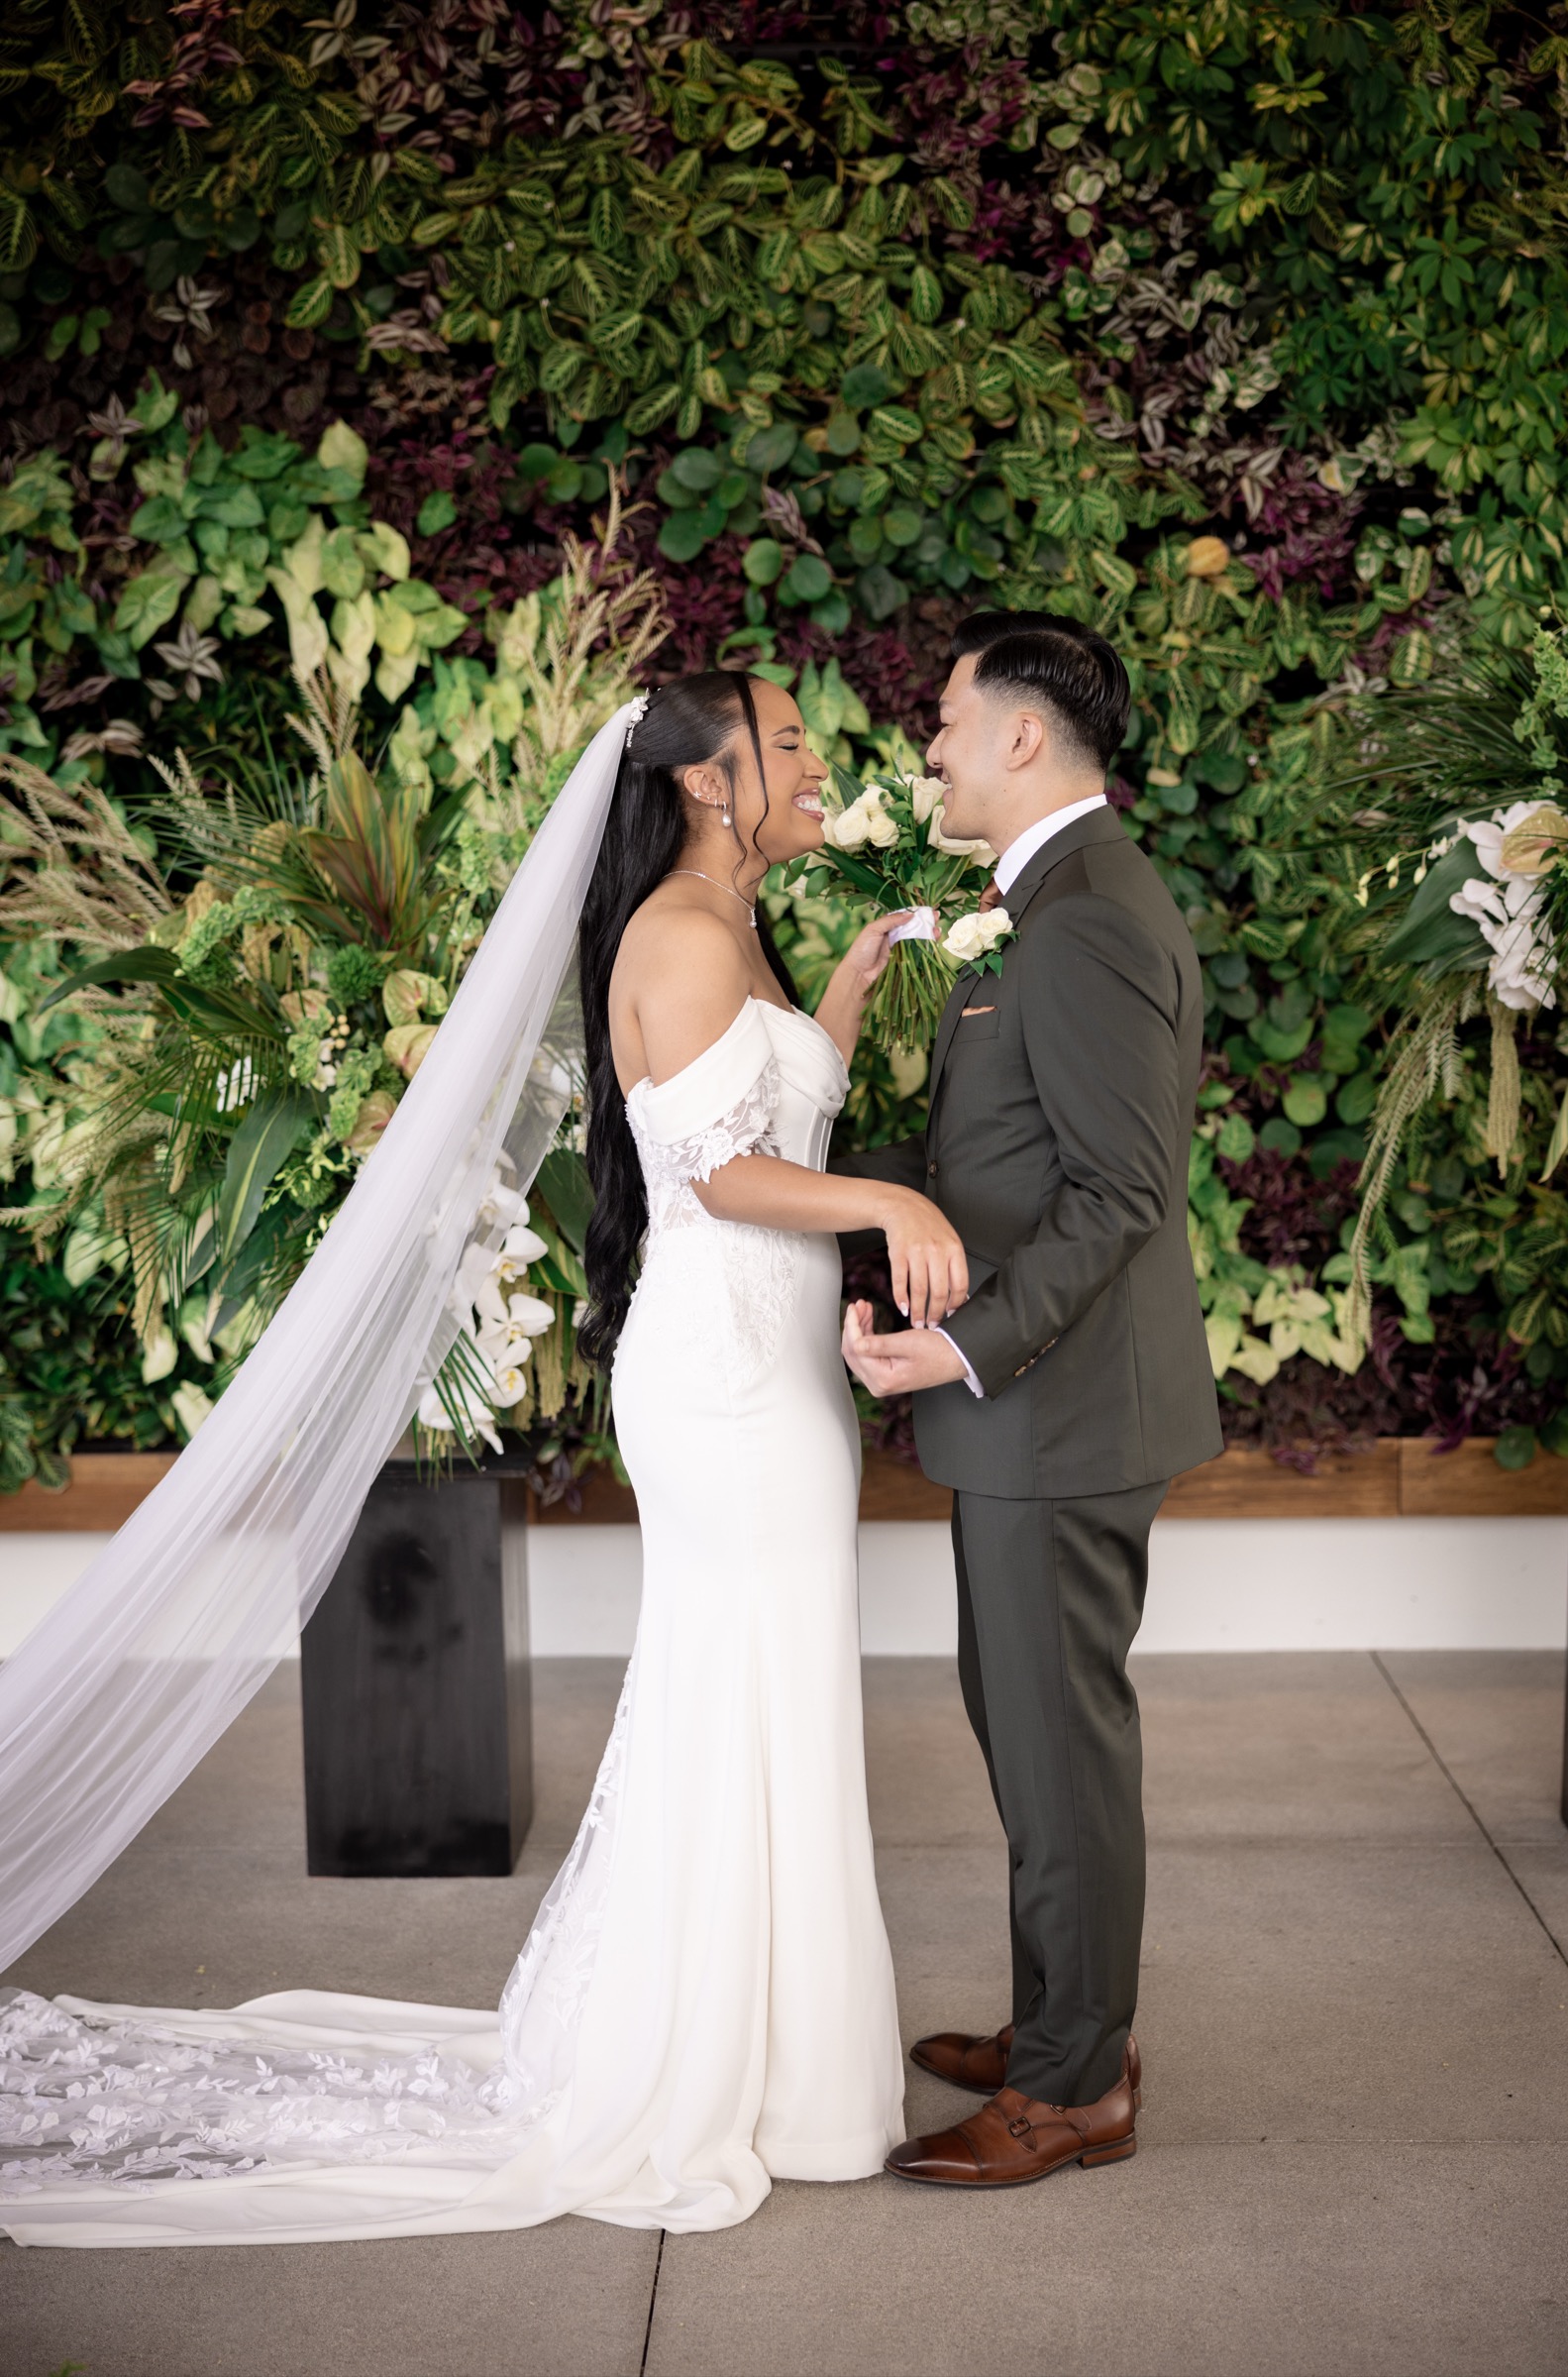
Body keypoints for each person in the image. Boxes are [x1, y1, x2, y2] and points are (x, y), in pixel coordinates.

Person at [0, 672, 966, 2245]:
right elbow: (725, 1179)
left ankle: (782, 2063)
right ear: (713, 783)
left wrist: (847, 988)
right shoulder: (678, 931)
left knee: (772, 1684)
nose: (815, 763)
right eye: (786, 742)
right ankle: (711, 2066)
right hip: (724, 1382)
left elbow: (773, 1106)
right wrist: (895, 1205)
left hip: (775, 1375)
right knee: (743, 1686)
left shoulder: (736, 935)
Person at [840, 611, 1221, 2189]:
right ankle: (1071, 2017)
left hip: (1053, 1409)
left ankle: (1073, 2089)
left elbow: (1123, 1187)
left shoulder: (1081, 921)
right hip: (1031, 1412)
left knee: (1061, 1747)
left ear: (1020, 735)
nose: (925, 743)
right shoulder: (1047, 902)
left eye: (944, 717)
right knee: (1030, 1731)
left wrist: (969, 1344)